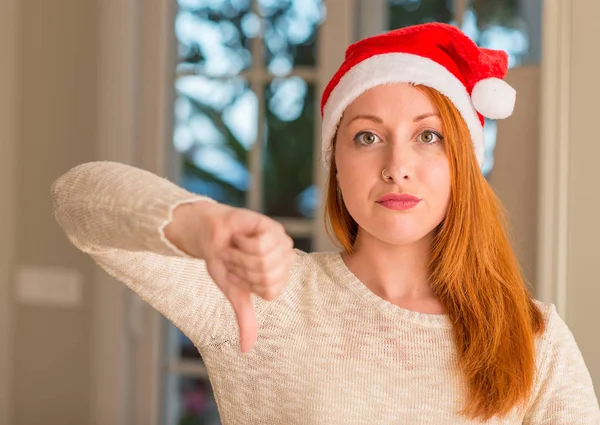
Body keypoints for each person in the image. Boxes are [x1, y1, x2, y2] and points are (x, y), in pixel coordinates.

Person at [52, 23, 599, 424]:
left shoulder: (536, 338)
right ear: (336, 163)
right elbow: (77, 198)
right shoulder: (267, 294)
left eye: (428, 135)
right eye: (367, 136)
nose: (396, 166)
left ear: (462, 162)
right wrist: (200, 224)